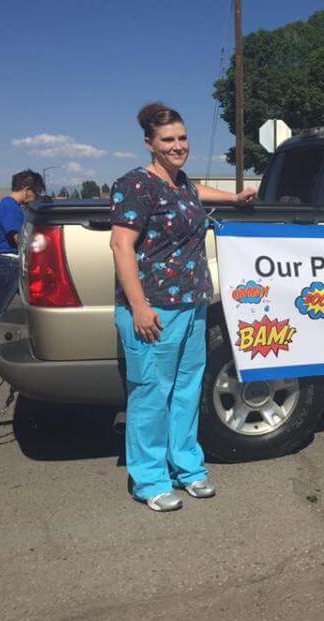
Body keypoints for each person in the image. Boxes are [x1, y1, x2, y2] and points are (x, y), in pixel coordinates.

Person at [109, 101, 256, 512]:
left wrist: (236, 197)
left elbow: (199, 194)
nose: (178, 146)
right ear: (150, 144)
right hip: (154, 308)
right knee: (151, 393)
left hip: (192, 305)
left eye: (182, 137)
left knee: (187, 389)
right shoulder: (136, 184)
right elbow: (121, 245)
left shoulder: (182, 184)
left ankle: (187, 468)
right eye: (168, 139)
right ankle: (150, 479)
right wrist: (138, 307)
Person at [0, 170, 45, 348]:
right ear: (27, 190)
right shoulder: (10, 206)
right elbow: (17, 238)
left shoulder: (11, 206)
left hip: (15, 264)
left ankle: (41, 344)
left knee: (37, 306)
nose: (35, 198)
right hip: (10, 265)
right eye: (36, 193)